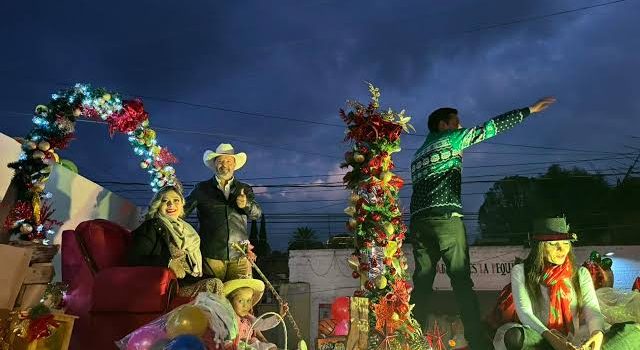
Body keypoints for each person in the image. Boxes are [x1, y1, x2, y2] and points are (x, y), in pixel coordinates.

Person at [409, 97, 556, 349]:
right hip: (446, 220)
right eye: (456, 122)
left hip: (419, 222)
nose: (460, 125)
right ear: (444, 125)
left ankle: (409, 338)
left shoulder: (418, 154)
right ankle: (477, 342)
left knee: (422, 282)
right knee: (462, 282)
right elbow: (491, 127)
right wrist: (529, 110)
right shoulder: (452, 139)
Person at [494, 217, 640, 350]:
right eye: (553, 244)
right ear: (539, 247)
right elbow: (525, 313)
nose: (561, 249)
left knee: (633, 333)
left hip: (575, 338)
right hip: (542, 337)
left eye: (566, 243)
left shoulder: (580, 273)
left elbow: (592, 310)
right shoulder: (521, 272)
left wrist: (597, 334)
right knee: (515, 336)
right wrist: (554, 340)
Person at [185, 143, 262, 282]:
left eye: (228, 161)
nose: (224, 164)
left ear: (234, 165)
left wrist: (246, 204)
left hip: (240, 255)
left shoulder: (244, 189)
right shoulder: (202, 188)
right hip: (211, 256)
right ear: (214, 164)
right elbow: (182, 211)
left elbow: (257, 214)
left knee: (241, 296)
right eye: (220, 161)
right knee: (214, 299)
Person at [127, 185, 223, 298]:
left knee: (220, 283)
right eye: (165, 201)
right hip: (171, 286)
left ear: (182, 204)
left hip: (191, 279)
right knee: (214, 285)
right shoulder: (151, 226)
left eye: (176, 200)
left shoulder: (188, 230)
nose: (171, 205)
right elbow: (133, 259)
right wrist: (168, 263)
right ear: (158, 205)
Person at [223, 278, 288, 350]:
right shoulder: (228, 318)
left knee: (271, 347)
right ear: (230, 302)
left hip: (253, 344)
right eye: (240, 301)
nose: (245, 305)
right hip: (238, 346)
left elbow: (262, 324)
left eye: (248, 301)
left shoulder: (248, 317)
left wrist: (279, 316)